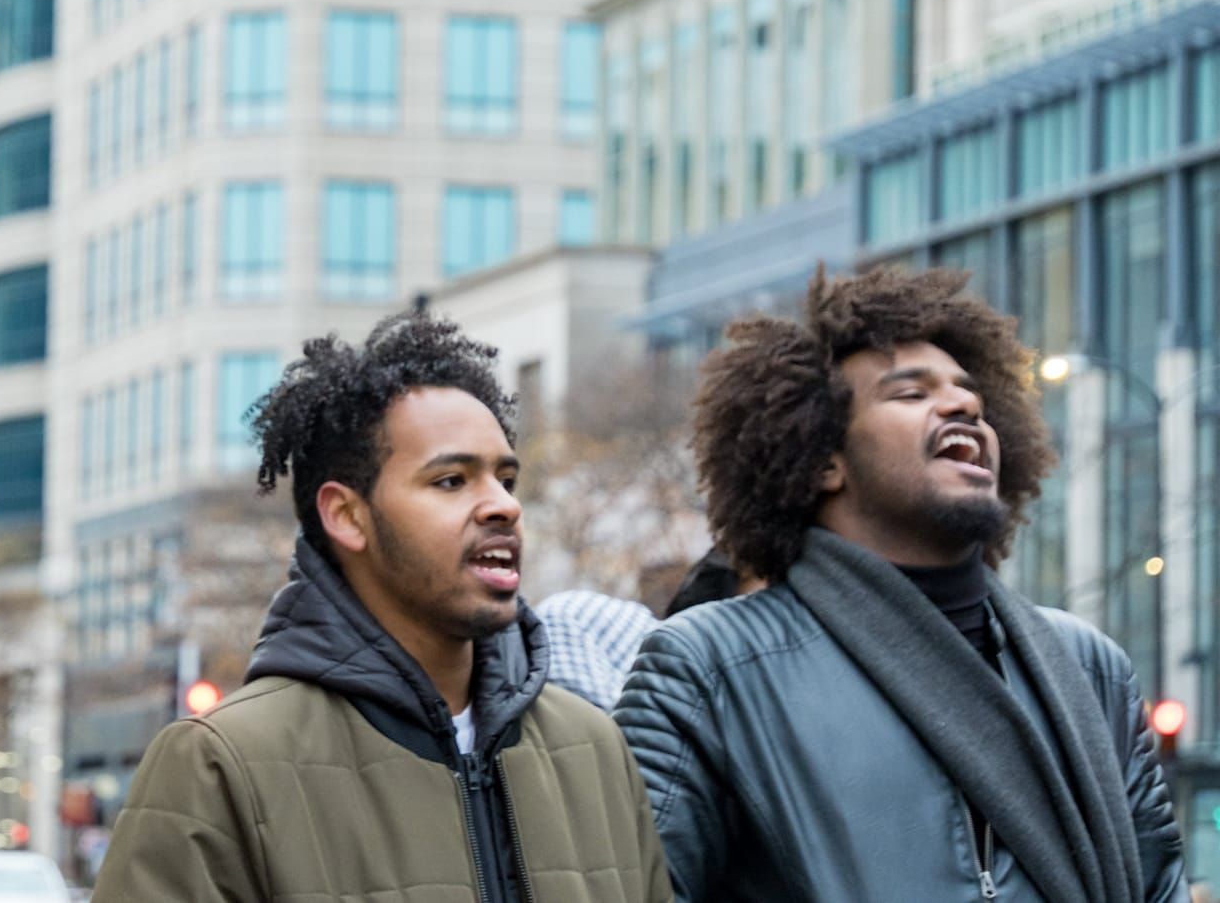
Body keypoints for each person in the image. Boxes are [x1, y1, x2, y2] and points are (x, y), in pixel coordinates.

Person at [615, 267, 1188, 902]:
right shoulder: (707, 668)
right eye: (911, 394)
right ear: (823, 459)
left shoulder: (1092, 667)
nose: (964, 405)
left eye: (970, 395)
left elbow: (1156, 886)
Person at [94, 312, 671, 902]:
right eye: (451, 480)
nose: (502, 506)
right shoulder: (220, 765)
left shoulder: (595, 748)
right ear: (347, 515)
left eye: (506, 478)